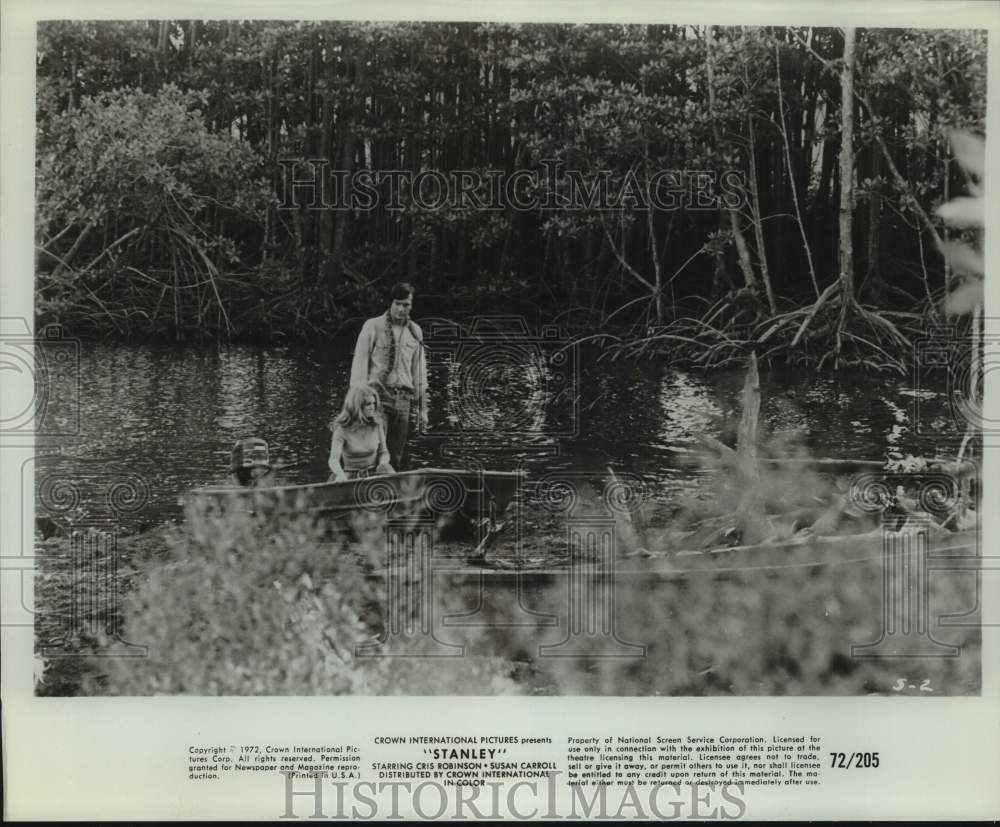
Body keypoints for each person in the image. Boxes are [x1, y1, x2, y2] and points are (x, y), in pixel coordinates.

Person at [349, 282, 428, 470]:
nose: (401, 309)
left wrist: (423, 410)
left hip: (403, 400)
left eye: (406, 305)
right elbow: (359, 367)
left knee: (395, 456)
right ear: (390, 303)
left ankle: (390, 495)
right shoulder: (372, 326)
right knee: (374, 451)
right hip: (376, 398)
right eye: (397, 303)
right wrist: (357, 403)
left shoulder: (415, 332)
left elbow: (420, 373)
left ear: (411, 305)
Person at [328, 386, 395, 481]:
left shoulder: (376, 424)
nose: (373, 407)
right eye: (368, 404)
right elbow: (333, 460)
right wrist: (340, 474)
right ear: (357, 406)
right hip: (351, 476)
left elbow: (383, 452)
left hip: (374, 474)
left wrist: (383, 465)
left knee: (388, 471)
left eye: (374, 403)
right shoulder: (341, 430)